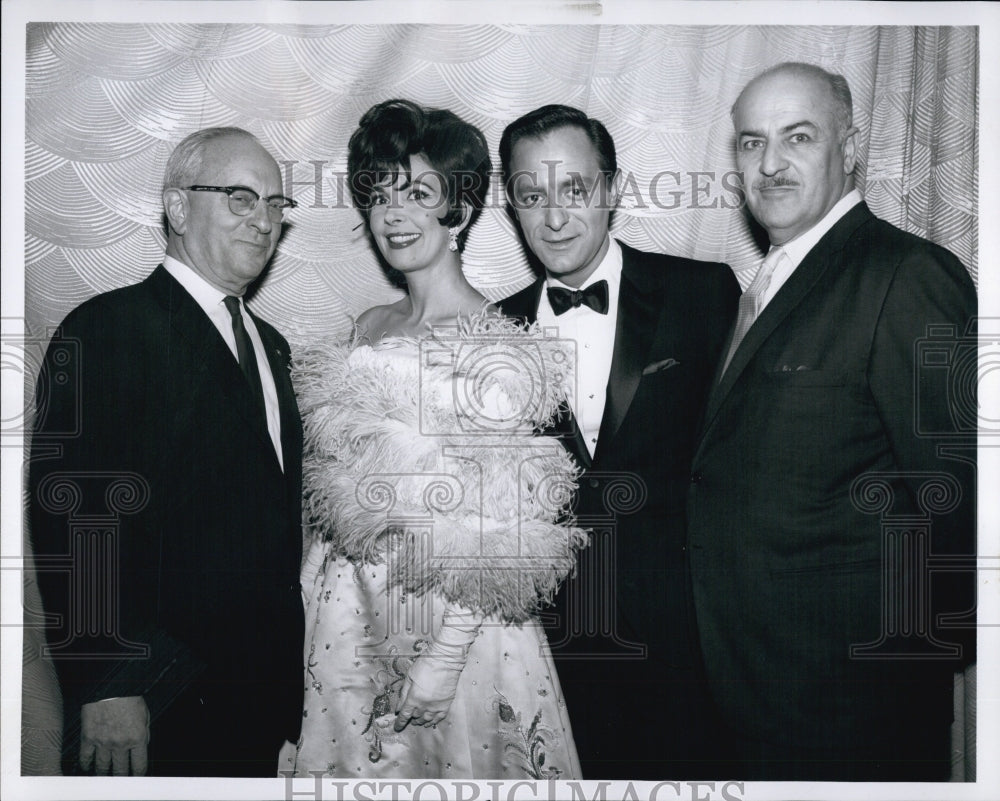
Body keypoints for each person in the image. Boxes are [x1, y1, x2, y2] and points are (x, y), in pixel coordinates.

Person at [686, 62, 977, 780]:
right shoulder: (765, 279)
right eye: (751, 143)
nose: (771, 164)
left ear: (849, 147)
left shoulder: (906, 275)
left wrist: (895, 679)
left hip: (851, 711)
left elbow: (961, 500)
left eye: (798, 137)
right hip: (750, 692)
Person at [289, 99, 585, 780]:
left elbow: (503, 529)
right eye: (381, 193)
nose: (394, 214)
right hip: (343, 612)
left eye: (419, 193)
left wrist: (441, 662)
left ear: (460, 208)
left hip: (453, 622)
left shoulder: (496, 340)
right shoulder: (368, 323)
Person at [29, 127, 305, 777]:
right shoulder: (109, 327)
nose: (263, 221)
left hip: (253, 698)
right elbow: (76, 514)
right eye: (241, 197)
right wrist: (107, 681)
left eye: (275, 204)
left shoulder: (271, 346)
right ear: (178, 208)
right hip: (152, 701)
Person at [497, 105, 741, 779]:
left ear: (611, 190)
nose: (553, 217)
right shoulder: (492, 331)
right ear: (510, 204)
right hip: (555, 661)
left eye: (574, 189)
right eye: (531, 195)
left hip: (689, 651)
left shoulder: (706, 293)